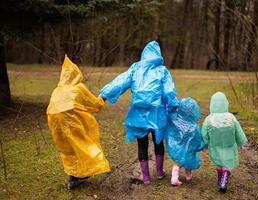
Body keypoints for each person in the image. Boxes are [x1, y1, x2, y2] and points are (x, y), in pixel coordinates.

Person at [99, 41, 179, 184]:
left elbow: (120, 82)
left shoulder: (135, 68)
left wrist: (104, 95)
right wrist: (172, 105)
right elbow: (168, 90)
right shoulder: (162, 70)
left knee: (142, 143)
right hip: (157, 111)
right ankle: (160, 172)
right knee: (158, 141)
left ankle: (146, 177)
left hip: (139, 111)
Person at [47, 55, 110, 190]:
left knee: (68, 149)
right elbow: (95, 105)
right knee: (83, 144)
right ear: (76, 74)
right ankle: (83, 173)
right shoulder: (78, 88)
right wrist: (103, 97)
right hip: (70, 120)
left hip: (53, 121)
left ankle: (74, 176)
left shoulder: (57, 89)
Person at [202, 92, 247, 193]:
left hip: (215, 145)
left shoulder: (209, 119)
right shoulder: (231, 117)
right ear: (226, 103)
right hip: (229, 145)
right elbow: (238, 130)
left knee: (218, 161)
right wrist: (241, 141)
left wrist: (204, 142)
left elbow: (204, 132)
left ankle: (220, 178)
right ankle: (225, 176)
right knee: (227, 162)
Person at [166, 97, 206, 186]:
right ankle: (188, 176)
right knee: (189, 160)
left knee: (177, 163)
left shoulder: (175, 120)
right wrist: (201, 145)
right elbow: (198, 139)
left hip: (177, 147)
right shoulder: (194, 127)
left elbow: (169, 117)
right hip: (189, 150)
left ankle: (175, 178)